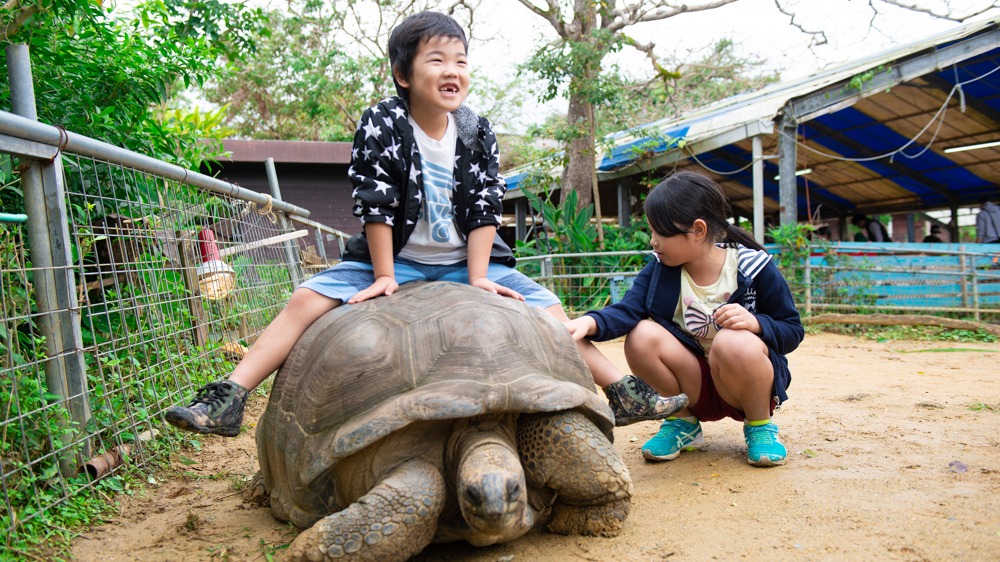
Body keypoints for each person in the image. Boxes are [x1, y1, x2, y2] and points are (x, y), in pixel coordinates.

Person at [165, 10, 683, 437]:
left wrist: (481, 276)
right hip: (397, 262)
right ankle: (229, 398)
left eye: (460, 59)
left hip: (464, 262)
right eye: (436, 59)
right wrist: (385, 275)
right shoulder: (383, 122)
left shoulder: (477, 129)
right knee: (303, 300)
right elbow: (376, 201)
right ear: (404, 74)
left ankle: (623, 391)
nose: (452, 69)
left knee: (550, 310)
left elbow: (485, 204)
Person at [564, 171, 804, 467]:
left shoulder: (752, 267)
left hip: (743, 383)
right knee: (641, 335)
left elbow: (792, 329)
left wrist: (756, 324)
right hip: (694, 387)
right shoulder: (660, 269)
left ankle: (760, 427)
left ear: (698, 230)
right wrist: (588, 323)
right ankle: (682, 424)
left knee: (733, 341)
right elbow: (628, 310)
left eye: (660, 233)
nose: (653, 241)